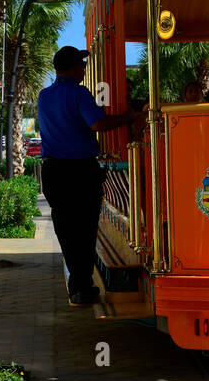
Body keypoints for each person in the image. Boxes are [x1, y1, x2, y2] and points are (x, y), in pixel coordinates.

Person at [37, 46, 142, 306]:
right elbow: (97, 124)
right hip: (80, 171)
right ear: (73, 67)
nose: (84, 69)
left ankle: (78, 284)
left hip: (52, 171)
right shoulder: (78, 92)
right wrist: (125, 117)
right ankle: (81, 286)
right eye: (82, 65)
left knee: (65, 228)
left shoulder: (44, 95)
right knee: (84, 229)